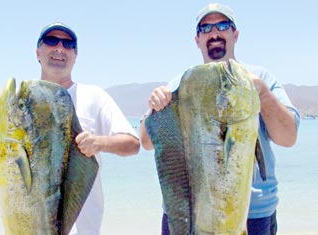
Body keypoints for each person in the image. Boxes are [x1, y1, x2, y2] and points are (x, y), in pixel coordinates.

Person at [139, 3, 300, 235]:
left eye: (222, 25)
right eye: (206, 28)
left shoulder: (259, 78)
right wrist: (155, 107)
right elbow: (146, 142)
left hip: (254, 215)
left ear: (235, 34)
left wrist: (263, 94)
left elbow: (288, 137)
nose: (214, 33)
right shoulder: (182, 84)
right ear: (197, 39)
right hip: (188, 215)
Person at [36, 22, 140, 235]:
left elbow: (132, 144)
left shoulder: (94, 96)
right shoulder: (22, 100)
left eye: (68, 44)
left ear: (75, 55)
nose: (59, 48)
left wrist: (98, 142)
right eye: (51, 41)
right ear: (38, 52)